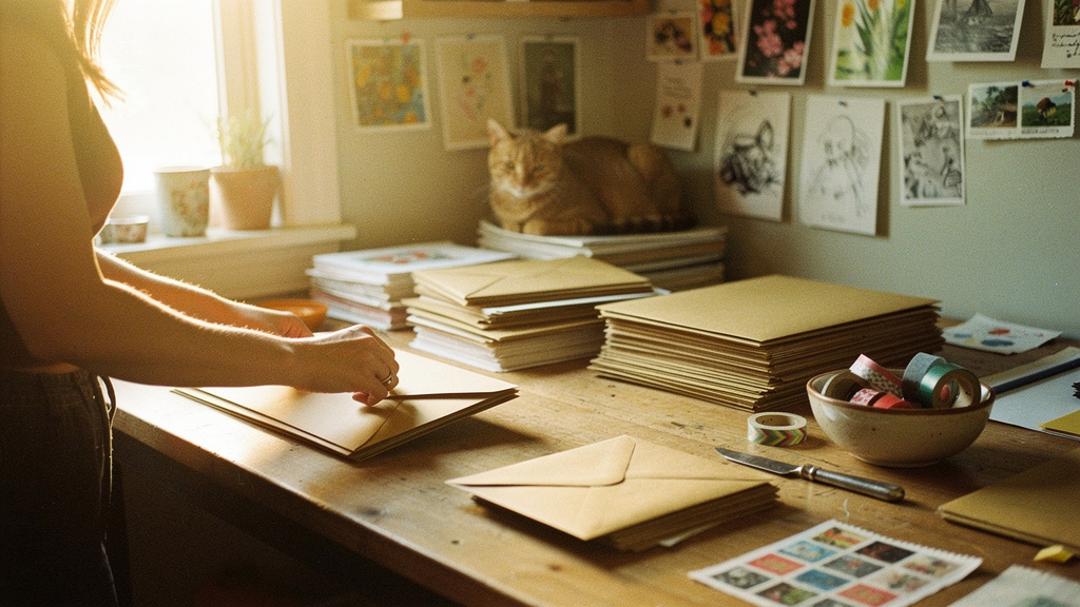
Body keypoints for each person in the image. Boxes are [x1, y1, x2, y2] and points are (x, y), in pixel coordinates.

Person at [0, 2, 398, 604]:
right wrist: (297, 363)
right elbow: (64, 315)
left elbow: (37, 256)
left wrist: (248, 320)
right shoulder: (12, 43)